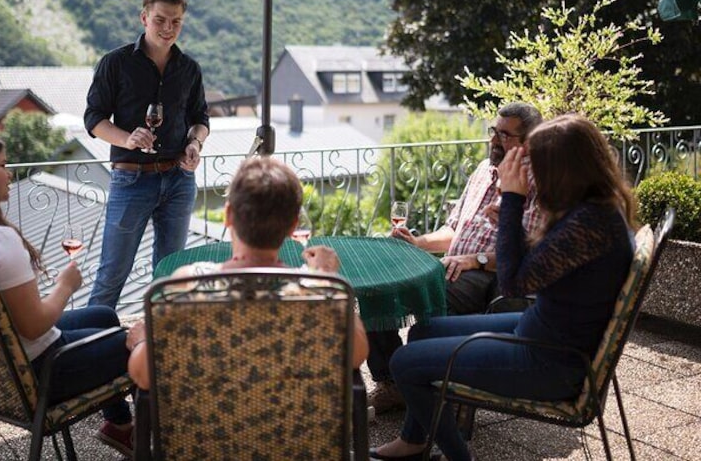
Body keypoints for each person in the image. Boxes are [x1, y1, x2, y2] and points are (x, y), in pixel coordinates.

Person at [370, 114, 637, 461]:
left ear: (562, 169)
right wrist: (512, 209)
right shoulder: (592, 212)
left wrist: (512, 200)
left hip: (550, 360)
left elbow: (512, 282)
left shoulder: (589, 224)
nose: (530, 172)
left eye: (535, 164)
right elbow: (538, 262)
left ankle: (457, 456)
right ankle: (414, 441)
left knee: (405, 362)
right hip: (541, 330)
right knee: (422, 332)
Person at [0, 133, 135, 458]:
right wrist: (65, 286)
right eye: (2, 165)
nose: (10, 173)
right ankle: (153, 438)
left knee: (102, 316)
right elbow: (34, 327)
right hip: (38, 372)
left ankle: (119, 427)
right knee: (137, 342)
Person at [126, 157, 370, 390]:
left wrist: (141, 342)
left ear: (228, 215)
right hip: (293, 432)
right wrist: (327, 277)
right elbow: (357, 354)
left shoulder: (187, 285)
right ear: (294, 225)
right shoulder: (317, 293)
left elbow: (143, 375)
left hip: (208, 433)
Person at [367, 102, 543, 414]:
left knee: (428, 299)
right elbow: (454, 228)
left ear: (527, 142)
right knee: (377, 286)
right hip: (454, 264)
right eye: (493, 132)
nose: (493, 140)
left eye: (504, 135)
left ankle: (429, 379)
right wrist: (418, 242)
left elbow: (528, 248)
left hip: (488, 274)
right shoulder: (482, 170)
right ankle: (391, 382)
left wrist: (475, 259)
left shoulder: (538, 183)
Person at [84, 0, 210, 310]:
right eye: (160, 20)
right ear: (144, 18)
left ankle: (160, 348)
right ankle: (88, 351)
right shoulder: (115, 63)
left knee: (170, 278)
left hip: (180, 181)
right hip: (131, 180)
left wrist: (195, 143)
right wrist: (126, 139)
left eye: (176, 22)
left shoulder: (190, 69)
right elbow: (94, 118)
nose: (168, 28)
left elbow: (200, 119)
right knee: (112, 275)